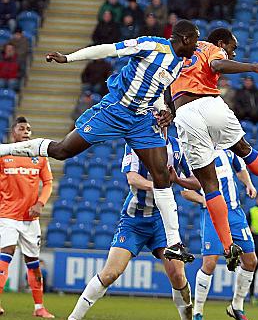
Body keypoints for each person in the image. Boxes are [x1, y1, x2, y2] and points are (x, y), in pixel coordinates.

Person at [0, 20, 200, 266]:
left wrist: (163, 109)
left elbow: (155, 89)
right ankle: (6, 149)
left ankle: (173, 244)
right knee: (62, 151)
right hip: (115, 111)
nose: (197, 46)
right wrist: (68, 58)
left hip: (142, 120)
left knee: (161, 174)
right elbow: (107, 49)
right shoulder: (152, 45)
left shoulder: (179, 63)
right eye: (196, 40)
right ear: (186, 39)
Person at [169, 28, 258, 271]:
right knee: (243, 148)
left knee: (209, 184)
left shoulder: (178, 53)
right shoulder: (210, 47)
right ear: (222, 43)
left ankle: (226, 245)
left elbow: (165, 85)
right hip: (209, 104)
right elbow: (218, 65)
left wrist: (167, 111)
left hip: (183, 113)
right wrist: (254, 67)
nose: (232, 52)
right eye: (232, 48)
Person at [67, 136, 201, 320]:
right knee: (111, 273)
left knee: (178, 275)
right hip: (134, 221)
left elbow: (196, 182)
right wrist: (159, 187)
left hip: (162, 221)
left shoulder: (178, 146)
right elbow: (132, 178)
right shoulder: (137, 142)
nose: (159, 116)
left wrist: (177, 179)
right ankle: (74, 318)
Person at [184, 149, 258, 320]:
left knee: (251, 260)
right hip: (212, 214)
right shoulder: (194, 154)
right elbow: (185, 191)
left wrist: (249, 184)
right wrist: (204, 200)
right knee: (209, 263)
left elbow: (240, 169)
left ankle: (236, 306)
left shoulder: (228, 150)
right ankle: (198, 312)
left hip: (234, 212)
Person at [0, 117, 54, 318]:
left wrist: (40, 203)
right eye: (21, 128)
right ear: (13, 132)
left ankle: (39, 307)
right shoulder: (3, 154)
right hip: (8, 216)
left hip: (30, 220)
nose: (26, 132)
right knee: (7, 252)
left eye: (29, 129)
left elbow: (48, 183)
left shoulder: (39, 156)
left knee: (33, 262)